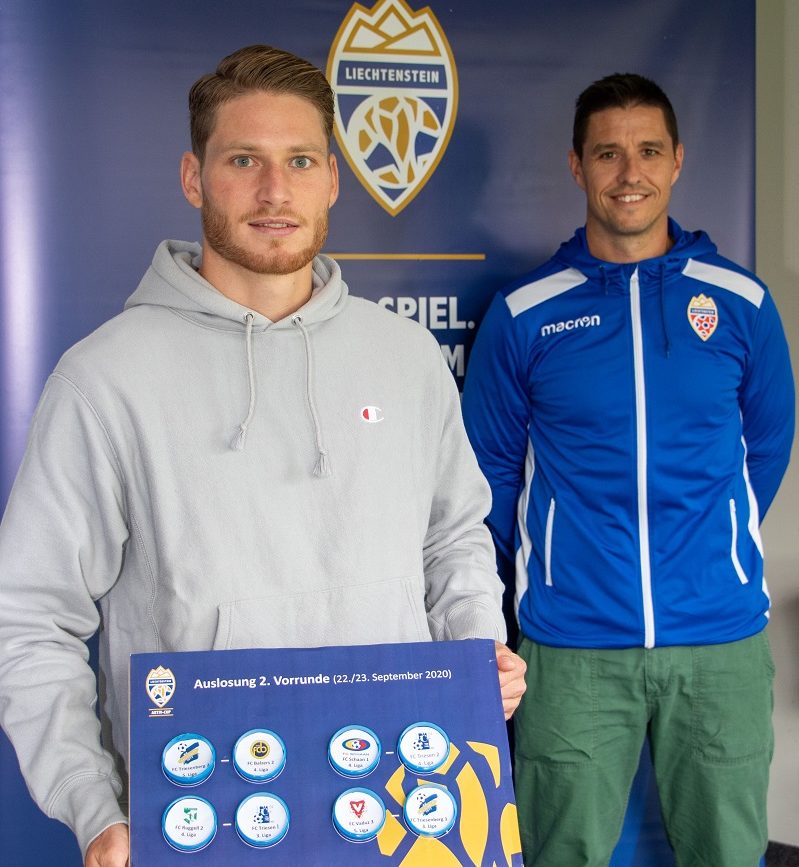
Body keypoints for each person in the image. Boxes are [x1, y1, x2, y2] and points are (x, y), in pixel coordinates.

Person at [0, 45, 526, 867]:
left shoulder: (407, 358)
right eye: (243, 160)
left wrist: (472, 659)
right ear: (193, 177)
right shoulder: (104, 378)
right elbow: (29, 615)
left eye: (300, 161)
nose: (275, 191)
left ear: (333, 180)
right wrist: (93, 805)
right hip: (202, 819)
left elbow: (452, 539)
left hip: (403, 810)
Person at [462, 73, 794, 866]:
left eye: (647, 150)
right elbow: (488, 476)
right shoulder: (525, 312)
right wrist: (545, 579)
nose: (628, 172)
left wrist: (709, 551)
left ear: (677, 160)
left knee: (727, 853)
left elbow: (765, 447)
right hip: (570, 645)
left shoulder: (740, 301)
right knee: (559, 854)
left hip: (719, 640)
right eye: (607, 153)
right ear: (576, 165)